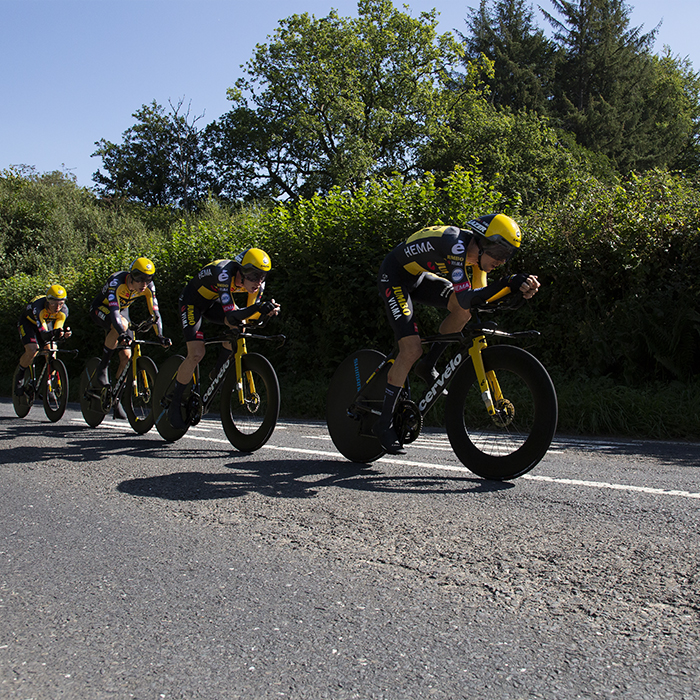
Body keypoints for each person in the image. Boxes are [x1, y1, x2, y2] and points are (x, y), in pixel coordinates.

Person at [374, 214, 540, 454]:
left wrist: (517, 290)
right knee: (411, 349)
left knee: (464, 313)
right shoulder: (456, 245)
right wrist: (508, 282)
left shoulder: (477, 259)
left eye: (508, 257)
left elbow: (479, 298)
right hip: (395, 276)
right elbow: (467, 295)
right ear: (483, 242)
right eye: (500, 253)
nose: (502, 262)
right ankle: (384, 424)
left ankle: (428, 365)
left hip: (419, 277)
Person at [168, 247, 281, 428]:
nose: (257, 281)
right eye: (253, 275)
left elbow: (249, 317)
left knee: (238, 329)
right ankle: (175, 403)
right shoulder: (224, 273)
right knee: (196, 353)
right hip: (192, 303)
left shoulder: (257, 284)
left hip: (215, 301)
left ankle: (218, 371)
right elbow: (230, 316)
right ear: (240, 270)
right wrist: (259, 309)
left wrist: (265, 314)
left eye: (262, 276)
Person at [89, 257, 171, 418]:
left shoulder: (148, 287)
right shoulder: (116, 282)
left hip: (122, 310)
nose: (144, 284)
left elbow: (155, 313)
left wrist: (160, 335)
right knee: (122, 326)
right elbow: (114, 313)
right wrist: (121, 333)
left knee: (127, 357)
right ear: (131, 276)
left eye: (149, 279)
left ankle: (115, 399)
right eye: (140, 279)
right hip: (103, 308)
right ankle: (103, 367)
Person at [16, 284, 72, 395]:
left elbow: (57, 328)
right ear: (47, 301)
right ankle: (20, 375)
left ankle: (49, 383)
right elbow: (44, 334)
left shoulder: (64, 310)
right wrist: (54, 333)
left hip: (46, 323)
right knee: (32, 350)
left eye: (61, 303)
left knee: (52, 350)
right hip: (29, 324)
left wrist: (63, 334)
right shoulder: (39, 307)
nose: (57, 307)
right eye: (53, 303)